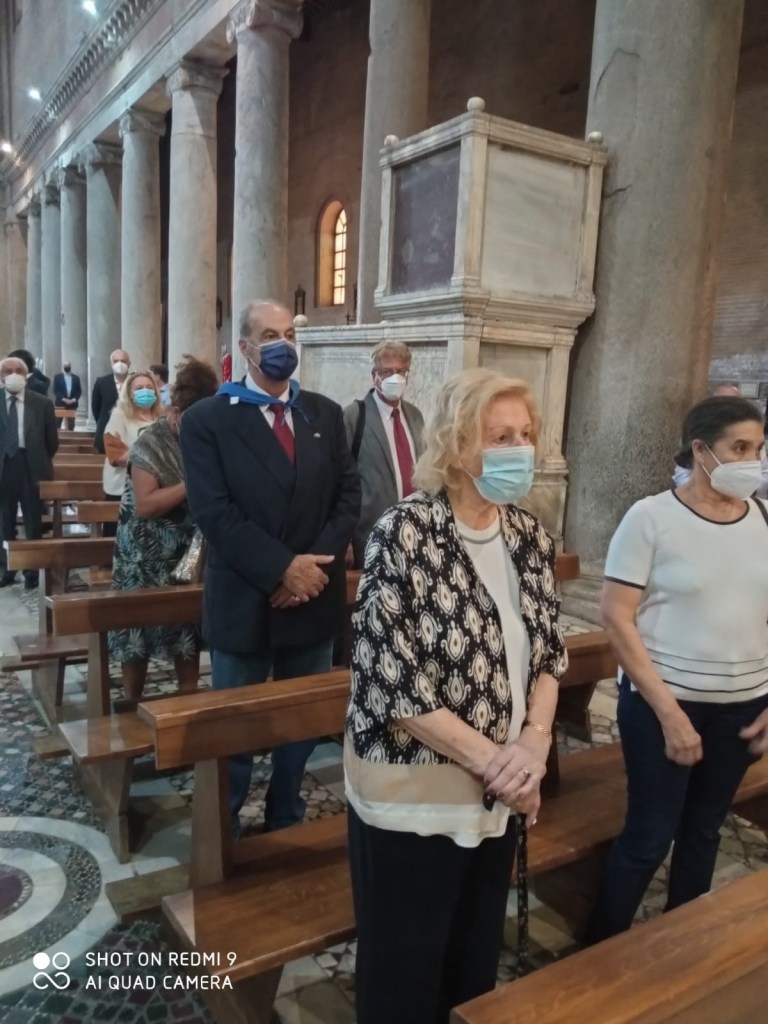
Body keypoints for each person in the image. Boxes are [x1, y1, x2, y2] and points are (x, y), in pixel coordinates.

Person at [345, 367, 567, 1024]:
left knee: (472, 968)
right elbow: (394, 681)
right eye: (500, 437)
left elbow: (550, 654)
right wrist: (502, 766)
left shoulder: (528, 535)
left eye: (525, 435)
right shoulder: (404, 533)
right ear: (457, 444)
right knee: (404, 975)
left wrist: (534, 746)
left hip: (497, 794)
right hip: (415, 796)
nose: (519, 450)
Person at [584, 395, 768, 945]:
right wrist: (670, 715)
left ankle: (680, 946)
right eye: (740, 448)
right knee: (649, 835)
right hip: (663, 703)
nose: (752, 461)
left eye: (758, 449)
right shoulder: (651, 518)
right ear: (701, 450)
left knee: (704, 830)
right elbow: (617, 618)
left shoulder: (763, 518)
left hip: (742, 707)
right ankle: (600, 949)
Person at [181, 299, 360, 834]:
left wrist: (310, 573)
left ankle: (287, 811)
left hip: (313, 596)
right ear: (245, 348)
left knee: (300, 722)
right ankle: (224, 826)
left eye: (289, 335)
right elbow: (214, 511)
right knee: (234, 726)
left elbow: (348, 497)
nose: (282, 345)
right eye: (269, 336)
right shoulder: (207, 419)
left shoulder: (323, 413)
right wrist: (283, 569)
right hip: (246, 595)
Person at [109, 357, 219, 704]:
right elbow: (146, 504)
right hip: (143, 551)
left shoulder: (207, 438)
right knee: (136, 629)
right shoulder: (150, 442)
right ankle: (131, 700)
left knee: (186, 629)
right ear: (174, 412)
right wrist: (191, 483)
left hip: (187, 549)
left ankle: (187, 701)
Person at [343, 341, 425, 566]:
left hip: (414, 533)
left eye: (400, 371)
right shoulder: (354, 416)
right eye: (387, 372)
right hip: (369, 534)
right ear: (375, 376)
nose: (394, 378)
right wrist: (344, 538)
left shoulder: (415, 416)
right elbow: (337, 480)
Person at [0, 356, 58, 589]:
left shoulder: (42, 403)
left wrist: (39, 460)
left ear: (26, 376)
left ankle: (32, 570)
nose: (13, 375)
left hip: (32, 466)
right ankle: (7, 569)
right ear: (1, 376)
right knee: (4, 520)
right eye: (8, 371)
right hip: (4, 466)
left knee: (33, 521)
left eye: (18, 371)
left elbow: (51, 442)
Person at [101, 371, 161, 510]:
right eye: (139, 388)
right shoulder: (119, 415)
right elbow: (116, 456)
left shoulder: (162, 417)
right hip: (123, 490)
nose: (145, 391)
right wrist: (152, 455)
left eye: (149, 387)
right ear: (130, 394)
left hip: (155, 489)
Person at [92, 349, 131, 454]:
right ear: (111, 364)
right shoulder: (102, 382)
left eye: (123, 361)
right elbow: (95, 408)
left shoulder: (135, 381)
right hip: (106, 431)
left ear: (129, 364)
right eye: (116, 361)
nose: (120, 364)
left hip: (130, 432)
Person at [53, 361, 82, 430]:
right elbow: (55, 390)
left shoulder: (76, 378)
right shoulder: (57, 377)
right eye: (65, 366)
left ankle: (71, 434)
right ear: (63, 367)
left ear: (70, 367)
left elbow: (79, 391)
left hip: (72, 404)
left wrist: (73, 400)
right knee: (57, 422)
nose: (67, 367)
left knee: (71, 424)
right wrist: (64, 399)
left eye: (68, 366)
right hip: (60, 403)